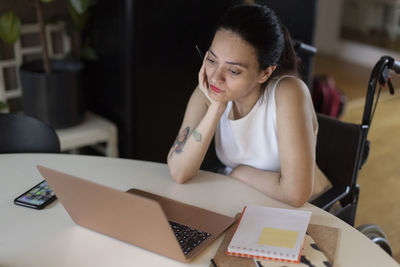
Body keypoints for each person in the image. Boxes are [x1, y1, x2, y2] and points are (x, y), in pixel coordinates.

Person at [167, 4, 327, 207]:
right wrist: (215, 110)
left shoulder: (288, 92)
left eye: (233, 71)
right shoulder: (208, 92)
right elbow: (179, 172)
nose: (216, 78)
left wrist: (239, 172)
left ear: (265, 73)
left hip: (313, 211)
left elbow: (295, 193)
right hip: (246, 202)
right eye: (211, 60)